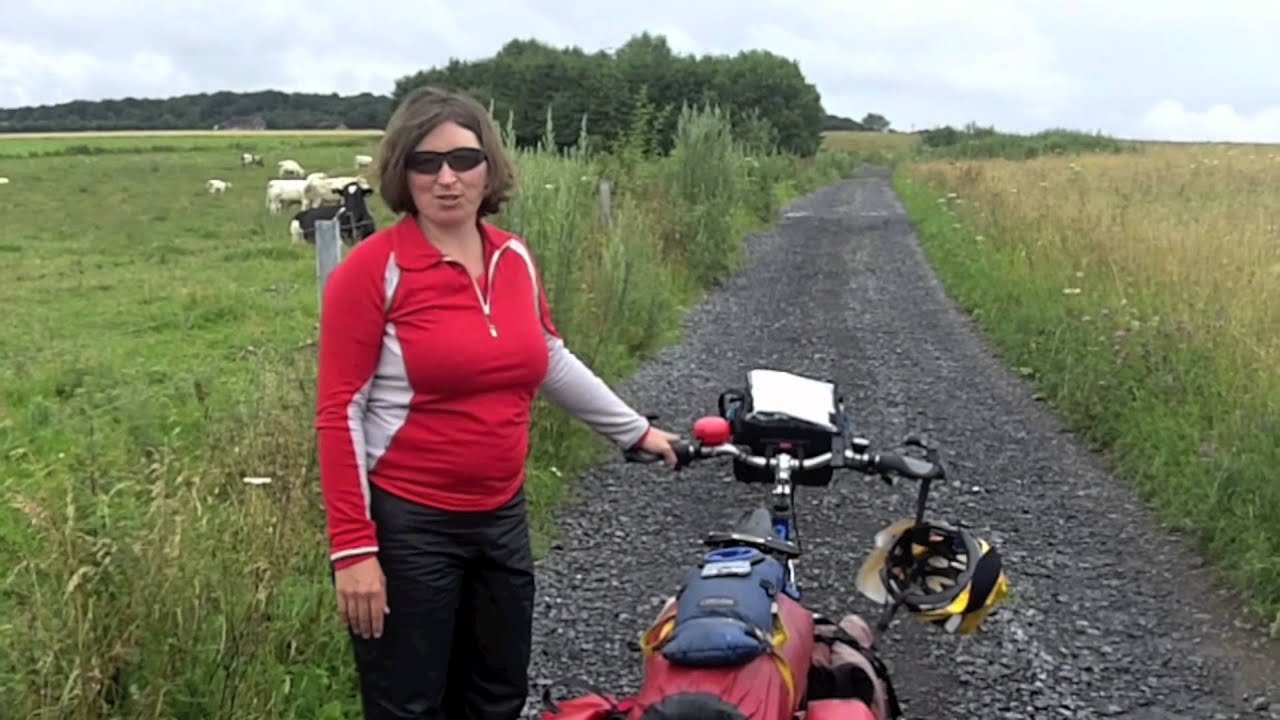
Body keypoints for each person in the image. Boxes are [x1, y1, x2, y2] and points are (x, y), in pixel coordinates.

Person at [314, 84, 682, 720]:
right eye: (426, 163)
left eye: (464, 159)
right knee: (409, 705)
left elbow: (547, 356)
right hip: (409, 526)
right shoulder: (373, 270)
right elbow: (339, 411)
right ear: (401, 172)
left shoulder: (514, 257)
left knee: (496, 696)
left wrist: (635, 431)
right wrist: (354, 550)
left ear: (489, 167)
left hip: (500, 516)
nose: (447, 178)